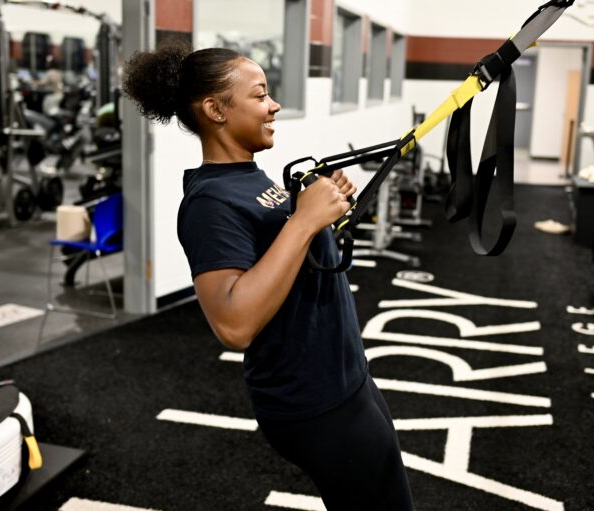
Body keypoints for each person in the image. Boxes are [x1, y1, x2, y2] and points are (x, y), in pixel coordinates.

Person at [122, 43, 414, 510]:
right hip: (313, 402)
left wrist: (323, 216)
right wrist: (302, 222)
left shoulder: (252, 177)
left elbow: (286, 261)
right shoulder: (209, 203)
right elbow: (234, 324)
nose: (274, 104)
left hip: (346, 377)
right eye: (260, 96)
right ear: (215, 109)